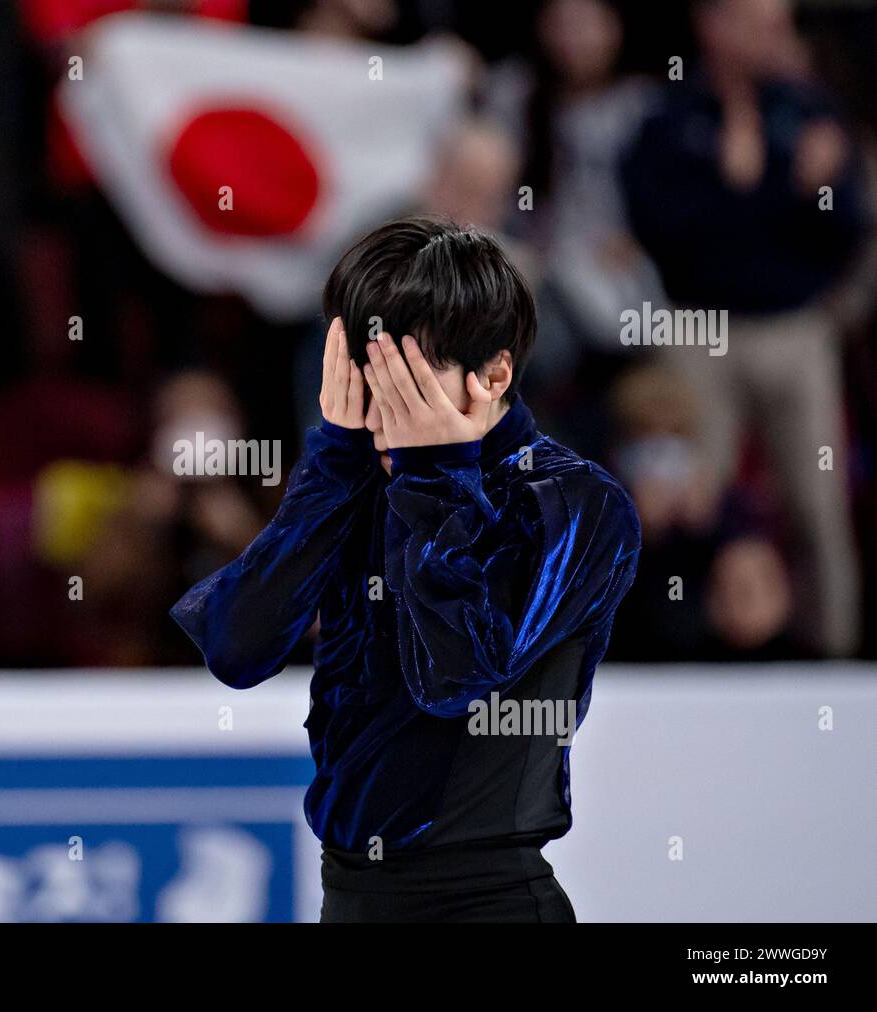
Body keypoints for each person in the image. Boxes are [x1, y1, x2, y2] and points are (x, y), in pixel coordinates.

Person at [170, 216, 641, 922]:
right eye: (367, 378)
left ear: (494, 374)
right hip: (350, 897)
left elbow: (454, 679)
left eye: (408, 384)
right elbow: (238, 646)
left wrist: (435, 479)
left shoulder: (574, 503)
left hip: (489, 905)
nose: (381, 413)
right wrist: (332, 462)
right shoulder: (358, 471)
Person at [620, 0, 869, 657]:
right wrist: (750, 192)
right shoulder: (670, 116)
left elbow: (846, 229)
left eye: (780, 24)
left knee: (819, 507)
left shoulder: (809, 112)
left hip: (794, 330)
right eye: (760, 23)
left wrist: (821, 186)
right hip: (699, 330)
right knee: (693, 507)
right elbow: (658, 230)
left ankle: (832, 662)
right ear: (714, 24)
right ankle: (692, 652)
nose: (776, 38)